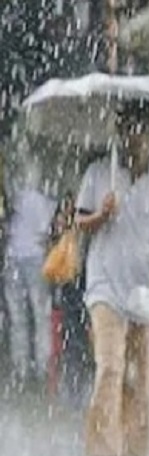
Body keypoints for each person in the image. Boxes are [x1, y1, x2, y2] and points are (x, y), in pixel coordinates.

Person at [74, 99, 149, 456]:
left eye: (140, 130)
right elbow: (78, 224)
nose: (133, 138)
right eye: (126, 129)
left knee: (141, 378)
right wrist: (100, 215)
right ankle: (102, 454)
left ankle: (136, 454)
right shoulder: (97, 173)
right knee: (109, 367)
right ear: (118, 133)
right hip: (105, 285)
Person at [3, 147, 56, 392]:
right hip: (35, 259)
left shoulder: (12, 200)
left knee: (18, 318)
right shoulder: (43, 202)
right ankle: (42, 367)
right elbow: (47, 234)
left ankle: (20, 367)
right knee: (40, 315)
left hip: (13, 258)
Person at [50, 191, 91, 408]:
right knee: (74, 338)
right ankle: (75, 388)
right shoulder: (75, 223)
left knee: (76, 338)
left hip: (78, 284)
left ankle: (77, 387)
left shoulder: (84, 222)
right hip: (74, 283)